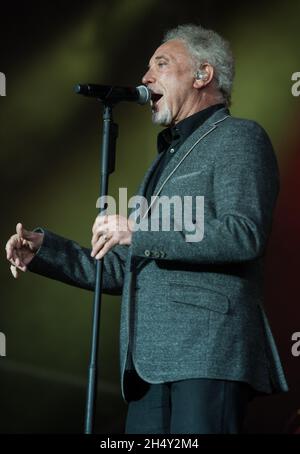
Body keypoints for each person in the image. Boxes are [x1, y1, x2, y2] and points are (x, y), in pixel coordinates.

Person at [5, 24, 288, 434]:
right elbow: (124, 267)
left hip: (207, 354)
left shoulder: (238, 138)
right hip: (146, 365)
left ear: (202, 74)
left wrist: (139, 233)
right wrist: (45, 250)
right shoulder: (163, 162)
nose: (145, 78)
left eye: (161, 64)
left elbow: (242, 234)